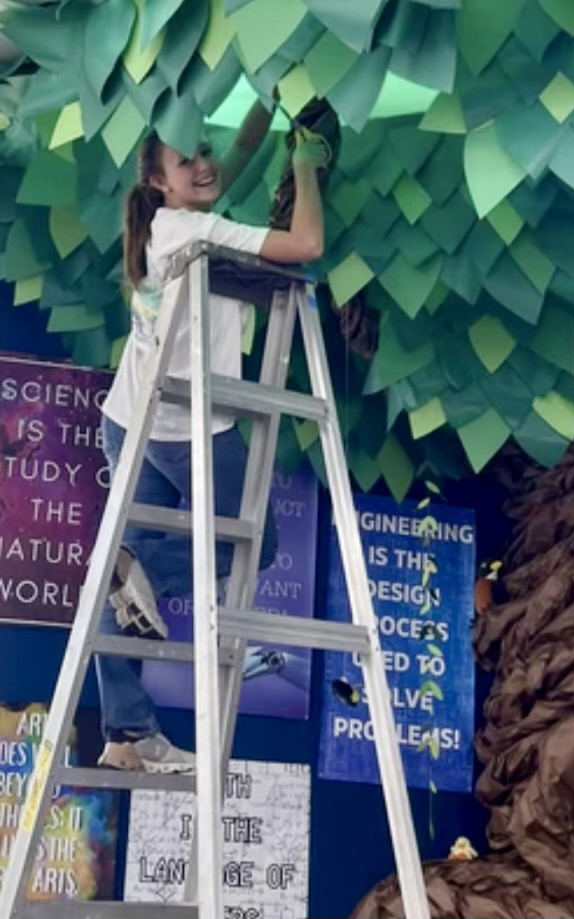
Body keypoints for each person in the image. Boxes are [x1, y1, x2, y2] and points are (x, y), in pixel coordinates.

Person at [95, 98, 327, 773]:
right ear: (159, 181)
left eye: (203, 152)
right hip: (185, 424)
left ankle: (126, 733)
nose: (203, 164)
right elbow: (306, 244)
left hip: (130, 417)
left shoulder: (168, 224)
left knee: (123, 583)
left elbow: (240, 157)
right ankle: (145, 572)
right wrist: (308, 164)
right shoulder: (196, 232)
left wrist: (268, 98)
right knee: (261, 542)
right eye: (185, 160)